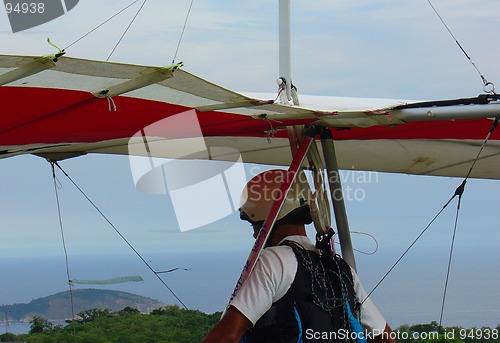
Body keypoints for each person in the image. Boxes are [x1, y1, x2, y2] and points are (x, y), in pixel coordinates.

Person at [203, 169, 395, 343]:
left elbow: (227, 336)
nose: (255, 235)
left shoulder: (274, 260)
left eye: (254, 225)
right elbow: (384, 337)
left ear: (265, 218)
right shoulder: (341, 268)